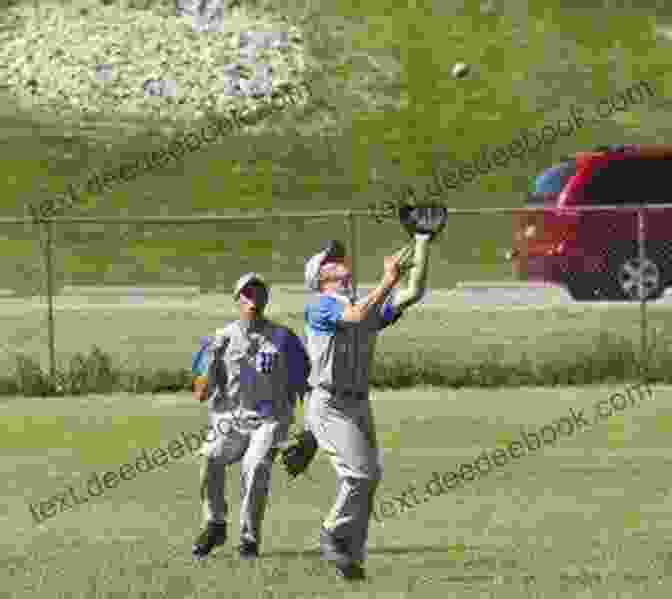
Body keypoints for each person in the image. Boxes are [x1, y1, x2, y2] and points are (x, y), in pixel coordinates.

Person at [303, 233, 433, 580]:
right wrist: (388, 280)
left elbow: (413, 292)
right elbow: (357, 315)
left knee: (369, 478)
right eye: (329, 260)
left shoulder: (362, 305)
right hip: (330, 402)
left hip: (358, 402)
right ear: (319, 278)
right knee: (361, 474)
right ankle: (332, 532)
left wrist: (421, 242)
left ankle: (352, 559)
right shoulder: (320, 304)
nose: (338, 261)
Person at [190, 272, 310, 560]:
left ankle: (248, 539)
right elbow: (200, 392)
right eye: (246, 293)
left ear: (266, 298)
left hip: (271, 419)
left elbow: (306, 385)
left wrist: (309, 431)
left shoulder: (284, 339)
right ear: (237, 300)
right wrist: (214, 359)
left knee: (254, 466)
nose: (252, 298)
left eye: (257, 293)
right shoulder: (220, 338)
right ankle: (215, 524)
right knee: (211, 458)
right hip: (231, 419)